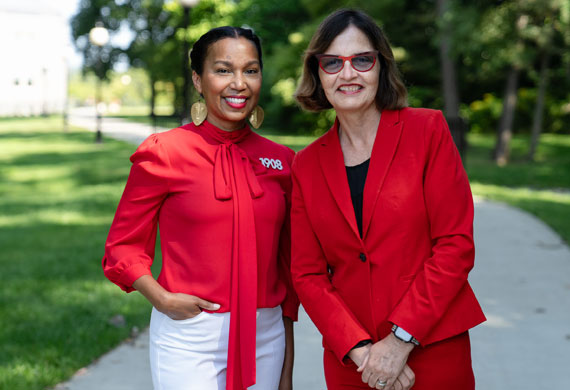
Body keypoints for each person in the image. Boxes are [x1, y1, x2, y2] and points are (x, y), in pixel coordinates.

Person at [291, 9, 486, 390]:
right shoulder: (306, 164)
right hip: (352, 362)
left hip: (432, 348)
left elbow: (455, 245)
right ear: (317, 73)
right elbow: (308, 274)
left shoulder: (427, 131)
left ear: (381, 65)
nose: (348, 74)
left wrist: (400, 341)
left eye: (361, 60)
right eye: (332, 62)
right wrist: (363, 352)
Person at [102, 26, 298, 390]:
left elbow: (288, 271)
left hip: (265, 335)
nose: (238, 83)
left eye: (250, 70)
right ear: (198, 78)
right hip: (188, 336)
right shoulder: (164, 152)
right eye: (223, 70)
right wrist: (162, 299)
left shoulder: (282, 161)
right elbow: (122, 247)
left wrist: (286, 368)